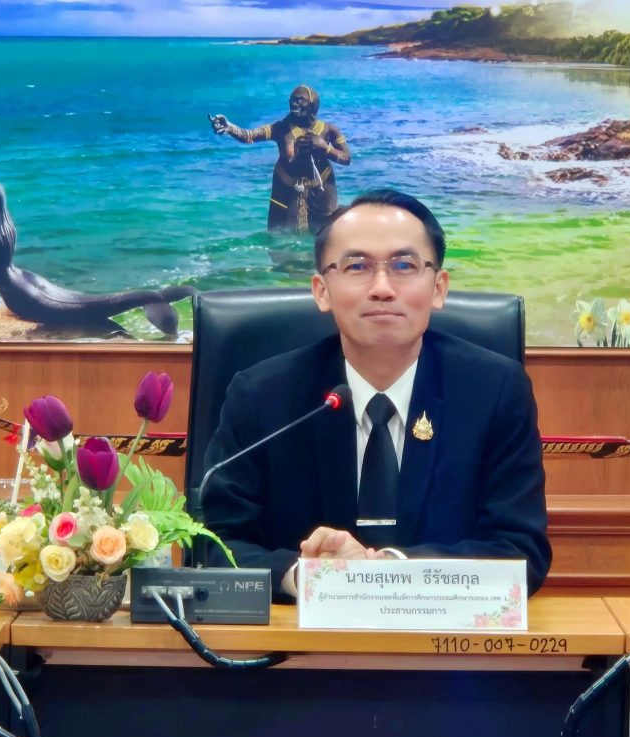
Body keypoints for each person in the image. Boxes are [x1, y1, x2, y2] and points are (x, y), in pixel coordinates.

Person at [202, 188, 550, 600]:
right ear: (321, 290)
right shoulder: (262, 396)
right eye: (357, 266)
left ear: (439, 288)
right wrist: (308, 576)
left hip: (443, 636)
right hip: (297, 636)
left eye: (404, 265)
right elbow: (212, 543)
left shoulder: (494, 391)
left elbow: (519, 551)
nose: (382, 288)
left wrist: (387, 570)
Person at [0, 181, 193, 337]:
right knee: (88, 305)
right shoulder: (8, 227)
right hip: (26, 279)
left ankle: (153, 300)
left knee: (84, 308)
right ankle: (155, 297)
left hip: (20, 296)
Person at [209, 84, 351, 234]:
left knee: (326, 234)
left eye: (300, 100)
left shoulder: (329, 130)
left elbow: (346, 158)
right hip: (287, 191)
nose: (294, 103)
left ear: (312, 105)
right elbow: (249, 136)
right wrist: (229, 127)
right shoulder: (281, 128)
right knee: (282, 237)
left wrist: (325, 148)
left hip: (322, 190)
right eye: (292, 100)